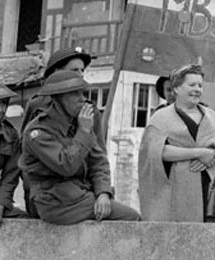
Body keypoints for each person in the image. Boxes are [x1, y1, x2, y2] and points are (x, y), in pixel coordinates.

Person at [18, 71, 140, 224]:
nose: (82, 100)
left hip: (79, 195)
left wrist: (103, 193)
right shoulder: (38, 131)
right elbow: (66, 165)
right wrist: (83, 132)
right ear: (58, 98)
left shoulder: (79, 123)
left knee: (129, 216)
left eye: (82, 93)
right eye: (74, 95)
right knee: (129, 217)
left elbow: (98, 162)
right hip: (55, 202)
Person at [138, 64, 215, 222]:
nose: (197, 89)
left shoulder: (212, 117)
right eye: (192, 85)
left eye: (200, 85)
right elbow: (155, 152)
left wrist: (214, 156)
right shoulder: (160, 118)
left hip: (211, 190)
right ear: (176, 88)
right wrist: (199, 153)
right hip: (175, 190)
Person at [20, 46, 101, 218]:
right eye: (74, 70)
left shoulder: (87, 110)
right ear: (56, 73)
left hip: (80, 190)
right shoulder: (37, 107)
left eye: (82, 70)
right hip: (48, 192)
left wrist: (102, 192)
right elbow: (24, 152)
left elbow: (97, 155)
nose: (80, 74)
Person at [0, 84, 27, 220]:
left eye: (4, 104)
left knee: (24, 221)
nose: (1, 109)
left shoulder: (10, 134)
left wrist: (1, 202)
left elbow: (10, 176)